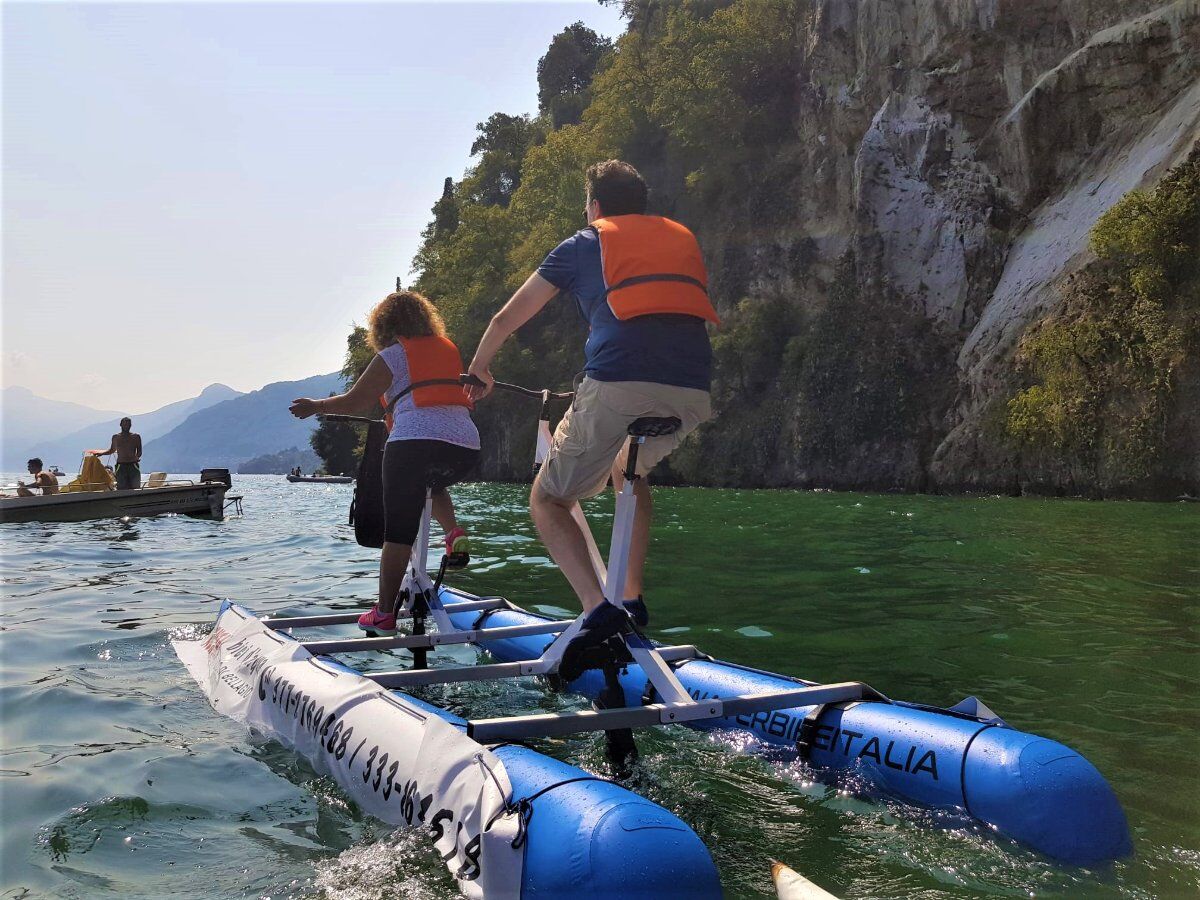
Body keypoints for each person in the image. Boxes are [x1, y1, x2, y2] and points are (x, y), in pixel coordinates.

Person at [466, 159, 716, 657]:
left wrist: (479, 369)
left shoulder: (585, 243)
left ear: (595, 207)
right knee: (629, 472)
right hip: (693, 392)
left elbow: (506, 317)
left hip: (619, 383)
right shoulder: (680, 237)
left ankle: (596, 610)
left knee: (548, 500)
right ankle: (630, 595)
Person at [290, 290, 479, 636]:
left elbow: (357, 401)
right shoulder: (447, 350)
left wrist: (315, 406)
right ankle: (453, 533)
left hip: (412, 445)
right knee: (431, 483)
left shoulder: (393, 355)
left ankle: (383, 613)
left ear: (384, 325)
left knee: (398, 534)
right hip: (465, 447)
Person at [93, 418, 143, 490]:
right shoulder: (116, 437)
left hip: (133, 465)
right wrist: (101, 453)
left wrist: (137, 457)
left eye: (128, 424)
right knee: (121, 488)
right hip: (121, 465)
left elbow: (140, 451)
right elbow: (112, 450)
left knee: (135, 488)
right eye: (125, 424)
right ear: (120, 425)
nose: (127, 426)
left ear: (131, 425)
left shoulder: (136, 437)